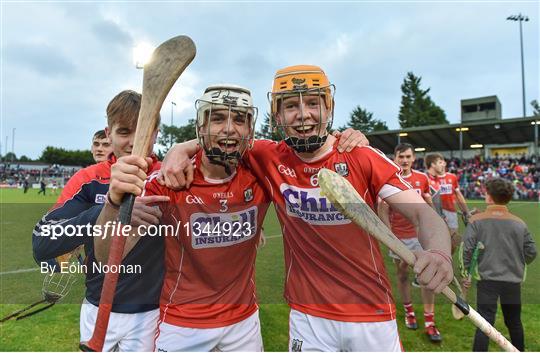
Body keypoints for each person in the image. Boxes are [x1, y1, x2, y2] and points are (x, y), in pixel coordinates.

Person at [161, 65, 453, 351]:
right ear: (277, 115)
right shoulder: (268, 157)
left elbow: (422, 214)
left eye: (313, 102)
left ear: (329, 108)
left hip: (371, 312)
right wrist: (180, 149)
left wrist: (439, 253)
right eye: (290, 106)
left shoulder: (361, 156)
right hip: (308, 317)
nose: (303, 114)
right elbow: (223, 138)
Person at [94, 85, 270, 351]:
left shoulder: (260, 173)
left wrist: (352, 138)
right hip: (183, 324)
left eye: (239, 119)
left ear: (251, 129)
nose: (229, 129)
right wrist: (112, 204)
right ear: (200, 127)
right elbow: (108, 258)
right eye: (218, 118)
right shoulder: (167, 181)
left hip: (244, 323)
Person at [33, 90, 167, 351]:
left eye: (144, 131)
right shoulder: (89, 179)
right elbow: (43, 243)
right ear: (109, 134)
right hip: (97, 308)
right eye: (125, 132)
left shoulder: (168, 176)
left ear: (156, 132)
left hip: (152, 312)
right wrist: (110, 209)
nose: (133, 142)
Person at [462, 178, 536, 352]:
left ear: (488, 197)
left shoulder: (477, 220)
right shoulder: (520, 223)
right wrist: (517, 261)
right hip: (512, 280)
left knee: (484, 323)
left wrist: (466, 271)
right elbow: (531, 252)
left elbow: (467, 249)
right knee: (514, 322)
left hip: (487, 280)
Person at [378, 143, 442, 342]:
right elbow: (383, 209)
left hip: (420, 237)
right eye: (401, 157)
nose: (404, 160)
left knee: (427, 278)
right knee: (403, 274)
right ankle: (409, 313)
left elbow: (428, 204)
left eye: (408, 157)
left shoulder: (422, 178)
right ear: (395, 158)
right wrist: (389, 237)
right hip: (399, 239)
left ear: (413, 158)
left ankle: (430, 322)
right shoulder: (387, 179)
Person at [425, 153, 471, 254]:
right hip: (436, 213)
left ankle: (447, 258)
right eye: (440, 162)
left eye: (443, 162)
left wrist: (467, 212)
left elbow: (458, 196)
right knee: (439, 241)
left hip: (451, 213)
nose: (443, 164)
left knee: (453, 242)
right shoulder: (429, 179)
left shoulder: (452, 177)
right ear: (433, 164)